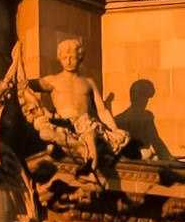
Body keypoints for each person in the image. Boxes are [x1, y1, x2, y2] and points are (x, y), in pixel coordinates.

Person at [24, 37, 128, 168]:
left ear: (80, 57)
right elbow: (25, 85)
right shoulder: (53, 80)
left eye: (72, 57)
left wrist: (115, 130)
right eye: (64, 58)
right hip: (62, 123)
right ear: (59, 58)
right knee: (45, 134)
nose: (68, 61)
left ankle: (85, 154)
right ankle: (80, 147)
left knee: (91, 135)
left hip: (85, 124)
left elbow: (102, 111)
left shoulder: (88, 82)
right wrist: (39, 107)